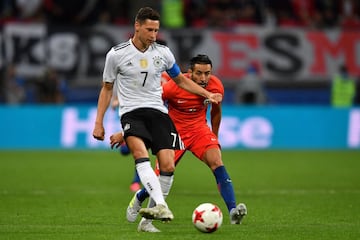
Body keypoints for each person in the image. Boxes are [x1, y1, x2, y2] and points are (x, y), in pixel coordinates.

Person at [92, 7, 222, 224]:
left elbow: (181, 80)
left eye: (156, 30)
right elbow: (106, 89)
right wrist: (99, 123)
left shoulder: (163, 52)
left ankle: (146, 221)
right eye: (149, 30)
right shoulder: (116, 54)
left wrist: (207, 93)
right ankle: (161, 205)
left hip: (159, 112)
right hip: (131, 112)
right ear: (137, 26)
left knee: (168, 166)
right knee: (140, 155)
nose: (153, 35)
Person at [110, 54, 247, 232]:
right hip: (174, 132)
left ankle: (233, 211)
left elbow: (216, 112)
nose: (204, 78)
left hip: (199, 131)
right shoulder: (173, 87)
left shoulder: (215, 85)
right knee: (161, 179)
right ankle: (141, 202)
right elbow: (149, 109)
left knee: (217, 162)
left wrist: (214, 136)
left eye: (207, 73)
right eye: (199, 73)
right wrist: (125, 132)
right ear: (190, 73)